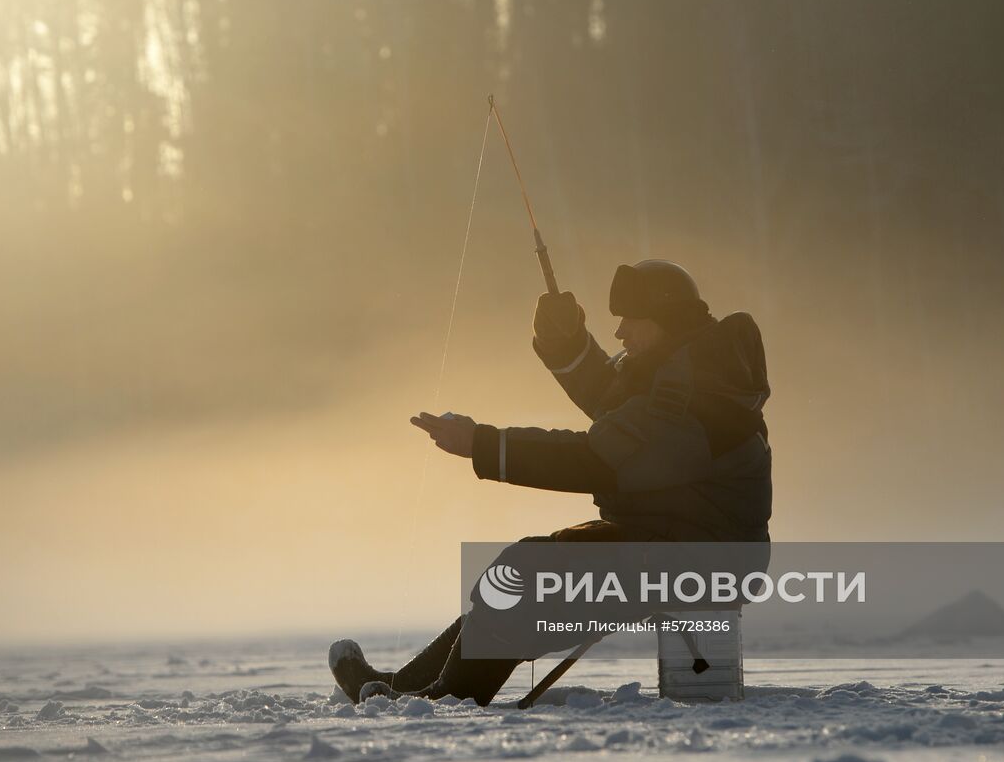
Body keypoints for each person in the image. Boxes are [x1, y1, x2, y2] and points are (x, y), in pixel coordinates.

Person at [328, 259, 772, 706]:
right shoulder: (689, 373)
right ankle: (406, 687)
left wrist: (481, 443)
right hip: (675, 540)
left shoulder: (695, 396)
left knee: (525, 573)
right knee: (524, 574)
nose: (620, 333)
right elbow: (613, 399)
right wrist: (568, 345)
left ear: (666, 322)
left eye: (631, 320)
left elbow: (595, 459)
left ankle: (446, 698)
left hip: (699, 558)